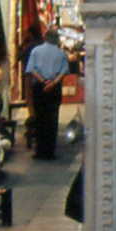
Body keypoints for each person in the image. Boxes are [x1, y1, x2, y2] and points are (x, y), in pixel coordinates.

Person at [25, 28, 69, 159]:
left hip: (39, 87)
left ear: (45, 38)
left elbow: (31, 69)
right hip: (54, 89)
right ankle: (50, 151)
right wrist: (53, 83)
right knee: (52, 119)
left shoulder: (36, 51)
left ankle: (40, 151)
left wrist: (44, 81)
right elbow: (64, 71)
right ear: (56, 39)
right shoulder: (61, 53)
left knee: (40, 118)